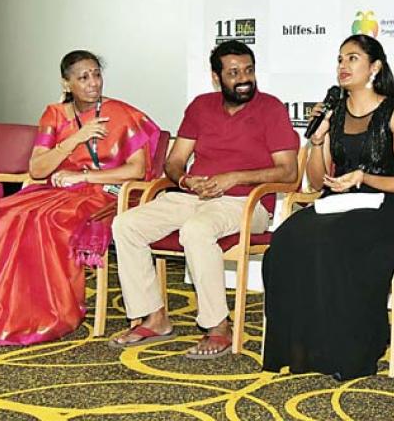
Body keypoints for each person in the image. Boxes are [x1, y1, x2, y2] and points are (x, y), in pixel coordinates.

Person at [110, 41, 299, 357]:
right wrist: (185, 179)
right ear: (216, 77)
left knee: (197, 231)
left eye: (248, 71)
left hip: (245, 202)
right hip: (194, 196)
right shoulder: (200, 106)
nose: (243, 79)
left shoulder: (271, 108)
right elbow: (175, 161)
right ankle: (153, 317)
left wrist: (235, 177)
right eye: (233, 72)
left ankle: (217, 327)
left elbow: (288, 171)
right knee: (126, 225)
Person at [0, 50, 160, 346]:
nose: (93, 82)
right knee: (1, 215)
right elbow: (38, 167)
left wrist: (84, 177)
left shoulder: (122, 113)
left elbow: (137, 169)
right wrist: (74, 140)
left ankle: (55, 313)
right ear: (66, 83)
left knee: (49, 221)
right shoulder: (54, 115)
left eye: (96, 74)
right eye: (83, 77)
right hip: (58, 189)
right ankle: (13, 309)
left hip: (104, 192)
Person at [261, 34, 394, 380]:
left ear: (374, 68)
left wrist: (363, 177)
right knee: (287, 237)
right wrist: (318, 143)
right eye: (339, 59)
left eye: (352, 59)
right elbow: (318, 182)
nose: (343, 66)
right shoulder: (333, 114)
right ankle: (303, 348)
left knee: (334, 242)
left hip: (383, 207)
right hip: (338, 203)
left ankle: (348, 351)